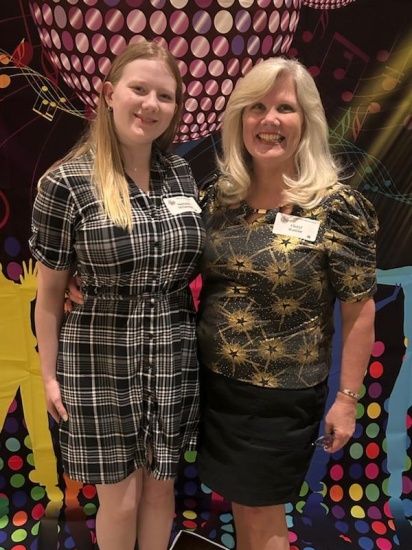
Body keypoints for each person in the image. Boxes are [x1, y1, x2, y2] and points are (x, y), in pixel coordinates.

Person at [195, 56, 378, 550]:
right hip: (216, 387)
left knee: (264, 512)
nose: (269, 120)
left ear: (307, 121)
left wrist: (347, 400)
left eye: (284, 108)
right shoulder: (219, 198)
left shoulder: (335, 207)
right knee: (241, 504)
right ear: (239, 119)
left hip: (281, 396)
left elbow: (359, 311)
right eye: (256, 107)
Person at [29, 40, 205, 550]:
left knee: (161, 490)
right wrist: (49, 376)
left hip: (172, 348)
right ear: (109, 93)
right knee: (122, 499)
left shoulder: (180, 174)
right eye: (139, 89)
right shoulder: (66, 183)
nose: (151, 105)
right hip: (98, 356)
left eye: (165, 96)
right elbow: (49, 295)